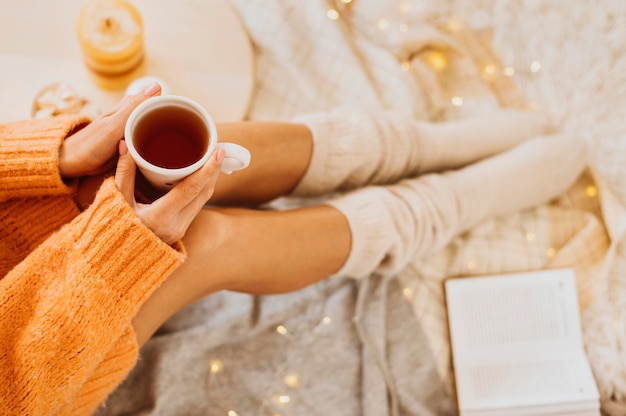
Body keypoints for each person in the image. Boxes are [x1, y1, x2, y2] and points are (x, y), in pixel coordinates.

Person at [0, 81, 587, 415]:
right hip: (29, 354)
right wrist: (117, 255)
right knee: (200, 242)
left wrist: (52, 156)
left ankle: (414, 146)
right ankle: (437, 209)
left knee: (186, 156)